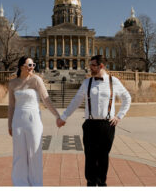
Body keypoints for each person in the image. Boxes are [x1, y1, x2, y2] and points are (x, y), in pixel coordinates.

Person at [57, 53, 131, 187]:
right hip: (90, 124)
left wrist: (119, 116)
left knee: (103, 156)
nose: (90, 67)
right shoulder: (87, 82)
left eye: (92, 65)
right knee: (90, 156)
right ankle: (90, 183)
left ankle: (102, 183)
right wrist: (63, 117)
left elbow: (127, 98)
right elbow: (75, 101)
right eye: (90, 65)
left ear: (101, 66)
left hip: (107, 125)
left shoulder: (113, 81)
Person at [8, 56, 62, 186]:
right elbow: (11, 106)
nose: (33, 67)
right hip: (18, 120)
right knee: (19, 154)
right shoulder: (13, 83)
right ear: (22, 67)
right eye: (30, 65)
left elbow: (46, 99)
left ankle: (36, 184)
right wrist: (9, 124)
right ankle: (20, 184)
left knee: (34, 153)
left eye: (34, 65)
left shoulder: (36, 80)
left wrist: (57, 115)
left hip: (33, 120)